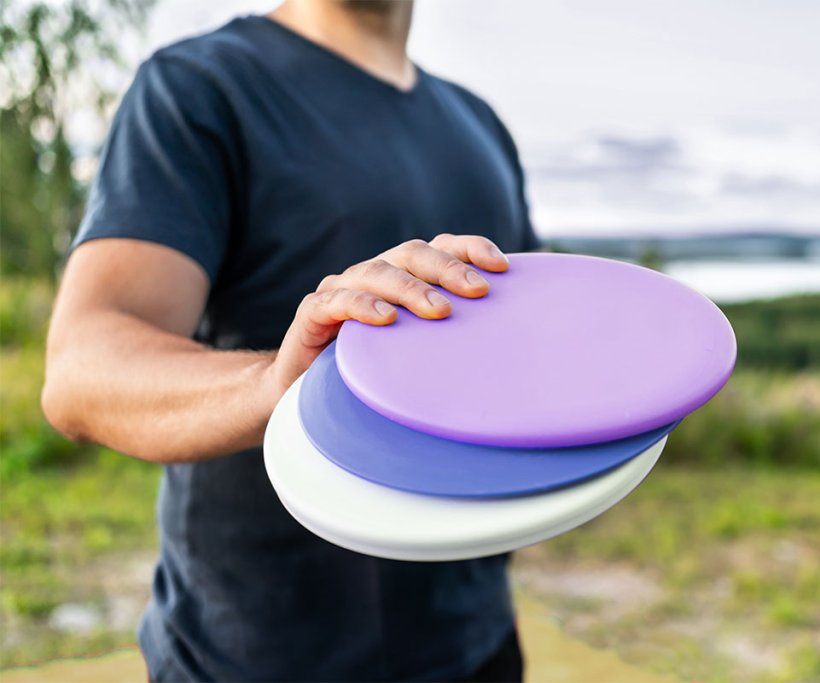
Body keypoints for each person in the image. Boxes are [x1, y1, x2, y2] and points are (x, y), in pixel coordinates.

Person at [42, 1, 540, 680]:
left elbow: (512, 365)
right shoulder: (200, 86)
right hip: (249, 657)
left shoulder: (479, 125)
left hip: (474, 645)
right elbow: (82, 368)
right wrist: (281, 381)